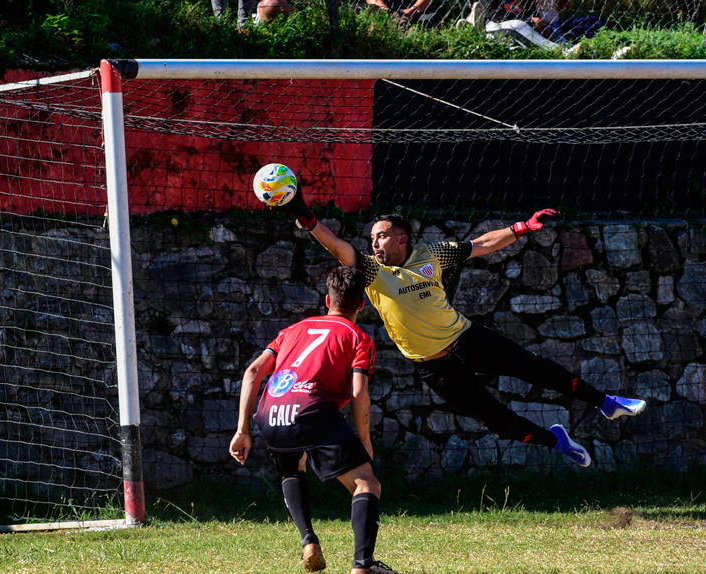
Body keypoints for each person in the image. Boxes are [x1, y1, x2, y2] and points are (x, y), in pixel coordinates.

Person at [270, 193, 646, 468]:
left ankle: (608, 403)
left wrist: (522, 228)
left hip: (467, 339)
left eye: (381, 236)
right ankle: (556, 441)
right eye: (371, 239)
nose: (374, 243)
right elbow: (336, 245)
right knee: (498, 421)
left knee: (541, 370)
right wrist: (303, 211)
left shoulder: (431, 256)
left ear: (402, 237)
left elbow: (481, 244)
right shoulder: (371, 270)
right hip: (434, 367)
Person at [229, 266, 402, 574]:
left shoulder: (292, 330)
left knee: (293, 469)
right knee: (366, 483)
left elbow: (253, 372)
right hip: (312, 410)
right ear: (362, 304)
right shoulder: (358, 337)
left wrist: (243, 430)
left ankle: (309, 542)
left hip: (271, 412)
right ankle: (363, 565)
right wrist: (364, 439)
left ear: (327, 299)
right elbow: (359, 391)